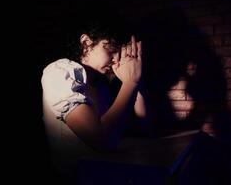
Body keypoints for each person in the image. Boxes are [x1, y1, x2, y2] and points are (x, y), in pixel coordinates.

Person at [41, 14, 151, 184]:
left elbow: (143, 127)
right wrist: (130, 82)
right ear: (86, 43)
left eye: (119, 53)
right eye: (111, 50)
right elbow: (101, 139)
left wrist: (135, 81)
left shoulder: (100, 83)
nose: (116, 59)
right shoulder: (60, 71)